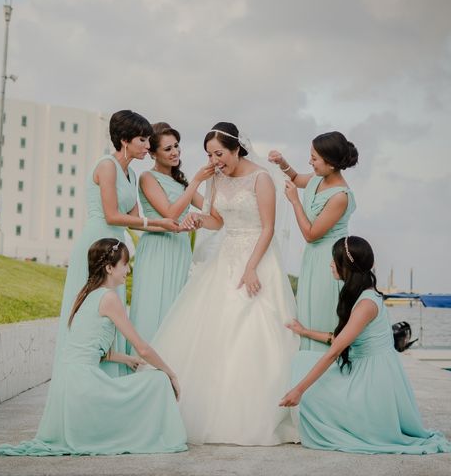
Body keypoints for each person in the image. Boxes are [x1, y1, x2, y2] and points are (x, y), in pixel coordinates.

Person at [148, 122, 299, 445]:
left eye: (219, 154)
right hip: (225, 259)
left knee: (254, 328)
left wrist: (250, 269)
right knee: (215, 330)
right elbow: (217, 222)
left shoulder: (261, 178)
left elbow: (268, 228)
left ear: (236, 149)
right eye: (209, 155)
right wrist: (197, 219)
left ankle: (255, 414)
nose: (215, 160)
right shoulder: (216, 179)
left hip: (257, 260)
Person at [0, 239, 187, 456]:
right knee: (159, 381)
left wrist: (126, 359)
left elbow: (88, 349)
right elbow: (143, 348)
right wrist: (171, 374)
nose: (128, 269)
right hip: (83, 386)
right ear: (109, 268)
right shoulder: (109, 298)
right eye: (124, 264)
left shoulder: (88, 295)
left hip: (68, 385)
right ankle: (154, 435)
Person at [280, 236, 451, 454]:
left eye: (335, 260)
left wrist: (299, 391)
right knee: (302, 359)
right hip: (369, 368)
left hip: (371, 380)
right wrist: (304, 332)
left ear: (347, 266)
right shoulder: (363, 296)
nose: (331, 264)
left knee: (307, 384)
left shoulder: (366, 304)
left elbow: (334, 352)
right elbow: (340, 338)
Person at [55, 110, 180, 378]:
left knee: (113, 311)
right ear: (125, 140)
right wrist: (159, 223)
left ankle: (110, 379)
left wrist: (165, 223)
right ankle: (81, 376)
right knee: (90, 310)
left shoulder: (131, 175)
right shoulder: (106, 166)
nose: (148, 146)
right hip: (96, 244)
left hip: (117, 246)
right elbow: (112, 215)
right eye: (143, 140)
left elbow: (135, 221)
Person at [127, 122, 214, 355]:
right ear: (153, 153)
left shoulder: (181, 182)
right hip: (157, 248)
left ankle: (171, 364)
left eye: (176, 146)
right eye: (167, 149)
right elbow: (171, 213)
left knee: (175, 309)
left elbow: (210, 209)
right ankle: (145, 364)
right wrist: (196, 181)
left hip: (180, 249)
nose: (175, 152)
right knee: (153, 305)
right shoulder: (147, 177)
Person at [268, 132, 357, 351]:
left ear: (331, 163)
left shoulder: (340, 196)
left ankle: (323, 363)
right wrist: (282, 163)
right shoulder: (318, 178)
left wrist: (295, 201)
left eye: (315, 158)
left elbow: (311, 233)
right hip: (313, 256)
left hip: (331, 260)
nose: (310, 161)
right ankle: (307, 364)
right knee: (307, 311)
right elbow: (297, 179)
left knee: (322, 312)